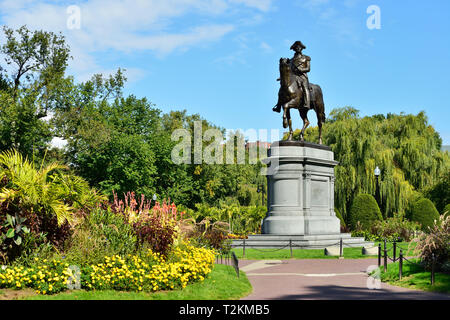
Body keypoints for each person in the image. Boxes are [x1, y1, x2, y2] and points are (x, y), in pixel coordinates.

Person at [289, 41, 311, 110]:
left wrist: (301, 69)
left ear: (302, 48)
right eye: (296, 47)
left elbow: (308, 68)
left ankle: (307, 103)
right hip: (294, 77)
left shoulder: (306, 58)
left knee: (305, 87)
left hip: (302, 76)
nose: (298, 48)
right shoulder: (291, 60)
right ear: (294, 49)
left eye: (299, 47)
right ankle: (279, 104)